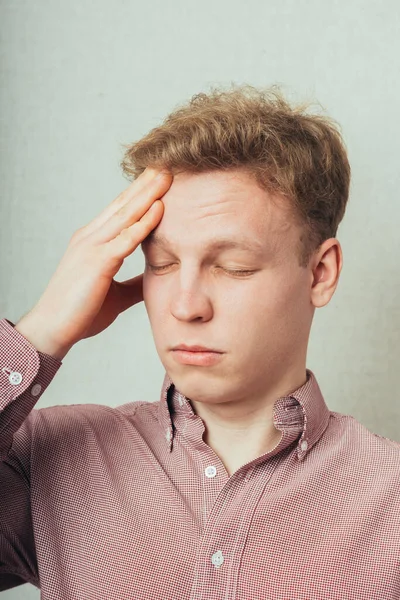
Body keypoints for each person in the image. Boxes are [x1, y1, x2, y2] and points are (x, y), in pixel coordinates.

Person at [0, 85, 399, 600]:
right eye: (161, 265)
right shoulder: (48, 461)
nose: (185, 306)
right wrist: (42, 331)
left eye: (234, 267)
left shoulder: (389, 498)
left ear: (320, 273)